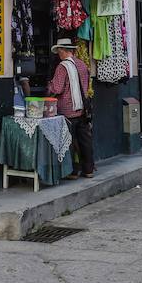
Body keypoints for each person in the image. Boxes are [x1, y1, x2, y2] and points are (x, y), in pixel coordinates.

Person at [47, 38, 93, 179]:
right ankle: (88, 170)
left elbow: (57, 88)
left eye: (59, 51)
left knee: (70, 142)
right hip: (82, 109)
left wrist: (49, 85)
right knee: (85, 140)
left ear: (63, 51)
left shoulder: (62, 67)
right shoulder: (82, 65)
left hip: (67, 111)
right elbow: (86, 85)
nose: (58, 54)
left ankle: (73, 171)